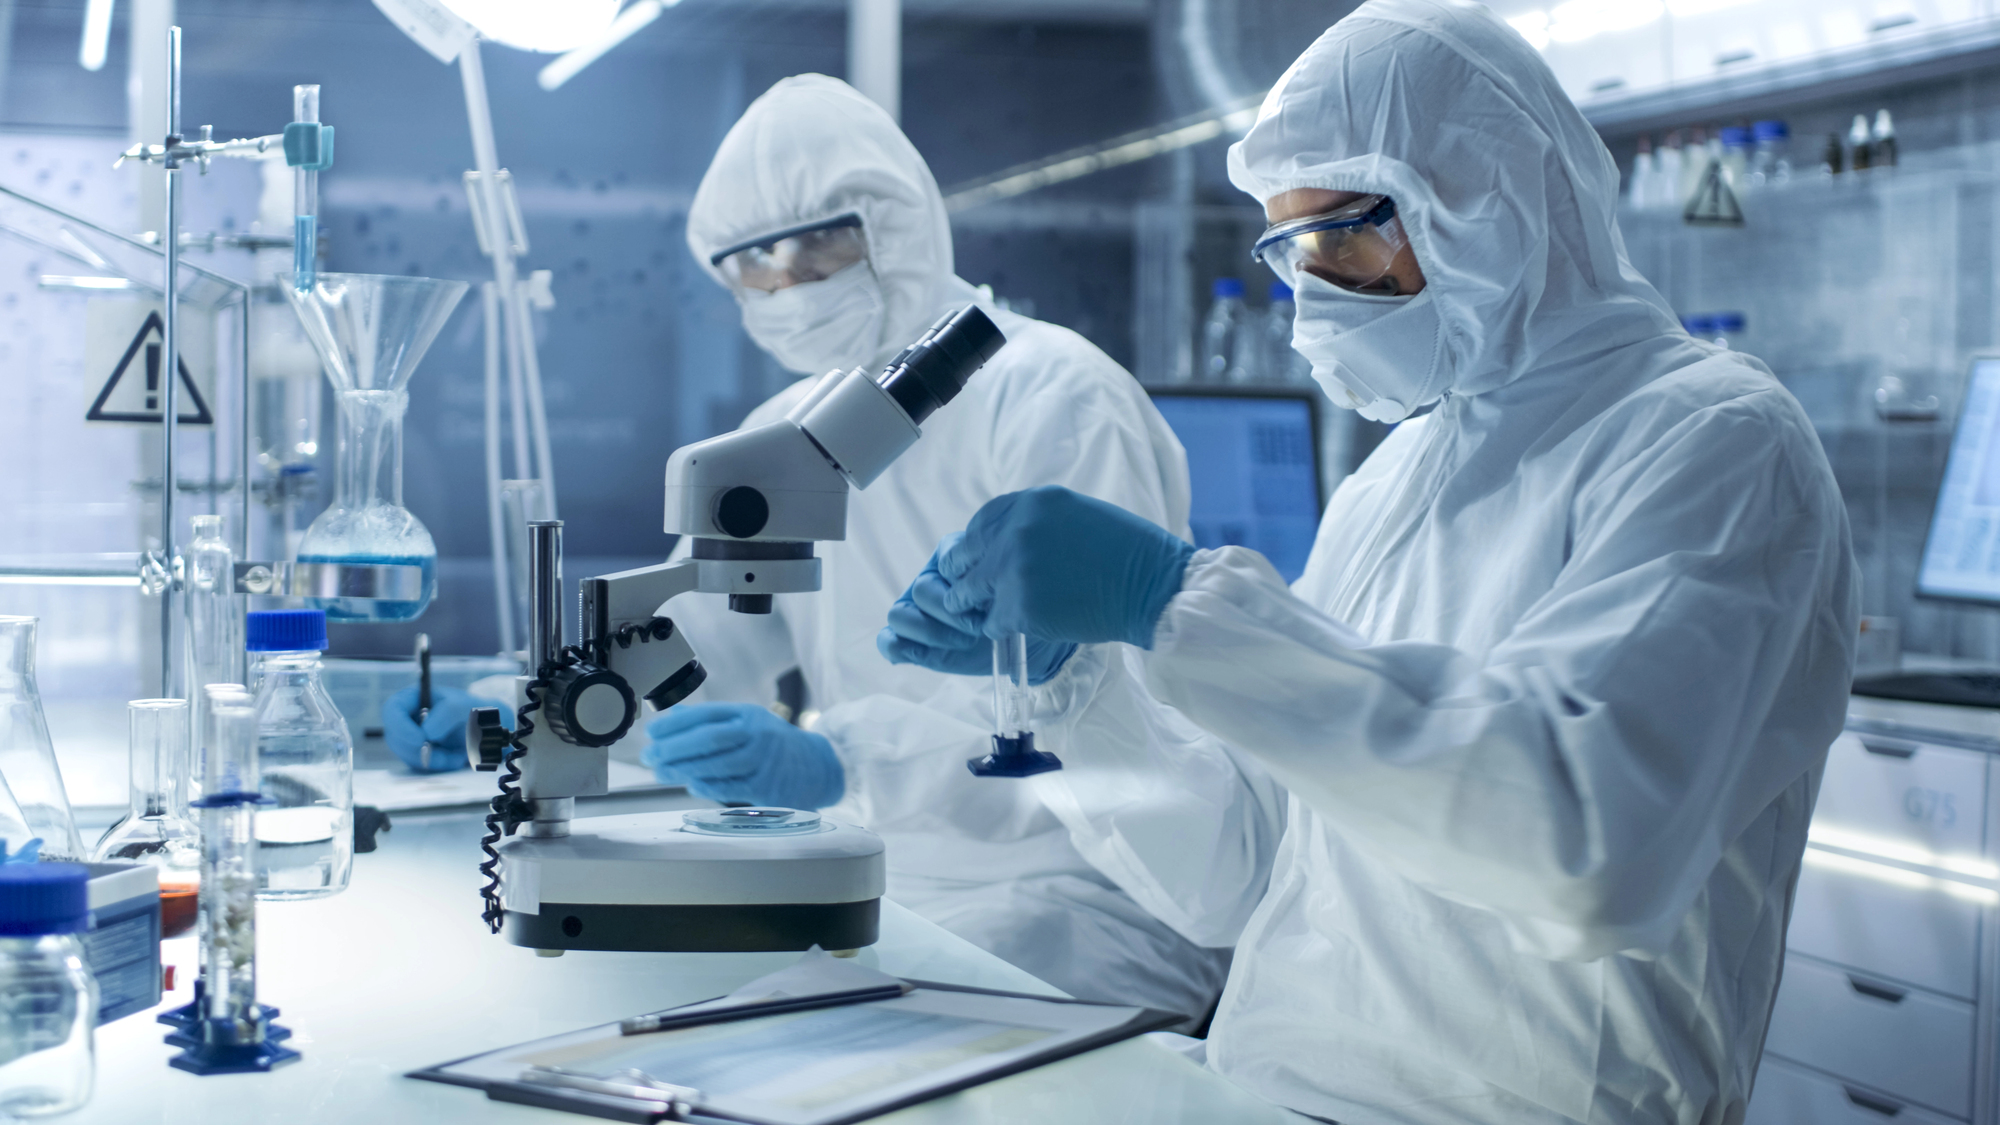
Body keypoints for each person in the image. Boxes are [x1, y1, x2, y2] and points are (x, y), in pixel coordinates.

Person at [878, 3, 1860, 1122]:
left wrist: (1172, 600)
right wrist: (1075, 691)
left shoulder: (1709, 438)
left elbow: (1578, 839)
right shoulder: (1395, 481)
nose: (1315, 287)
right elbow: (1242, 871)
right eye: (1291, 247)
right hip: (1272, 1091)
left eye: (1343, 231)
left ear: (1492, 197)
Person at [641, 74, 1231, 1022]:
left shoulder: (1052, 393)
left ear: (899, 222)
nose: (787, 288)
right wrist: (542, 706)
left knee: (863, 1044)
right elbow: (696, 645)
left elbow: (1091, 713)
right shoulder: (780, 430)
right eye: (754, 269)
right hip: (873, 875)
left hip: (1084, 894)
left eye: (815, 251)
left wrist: (847, 762)